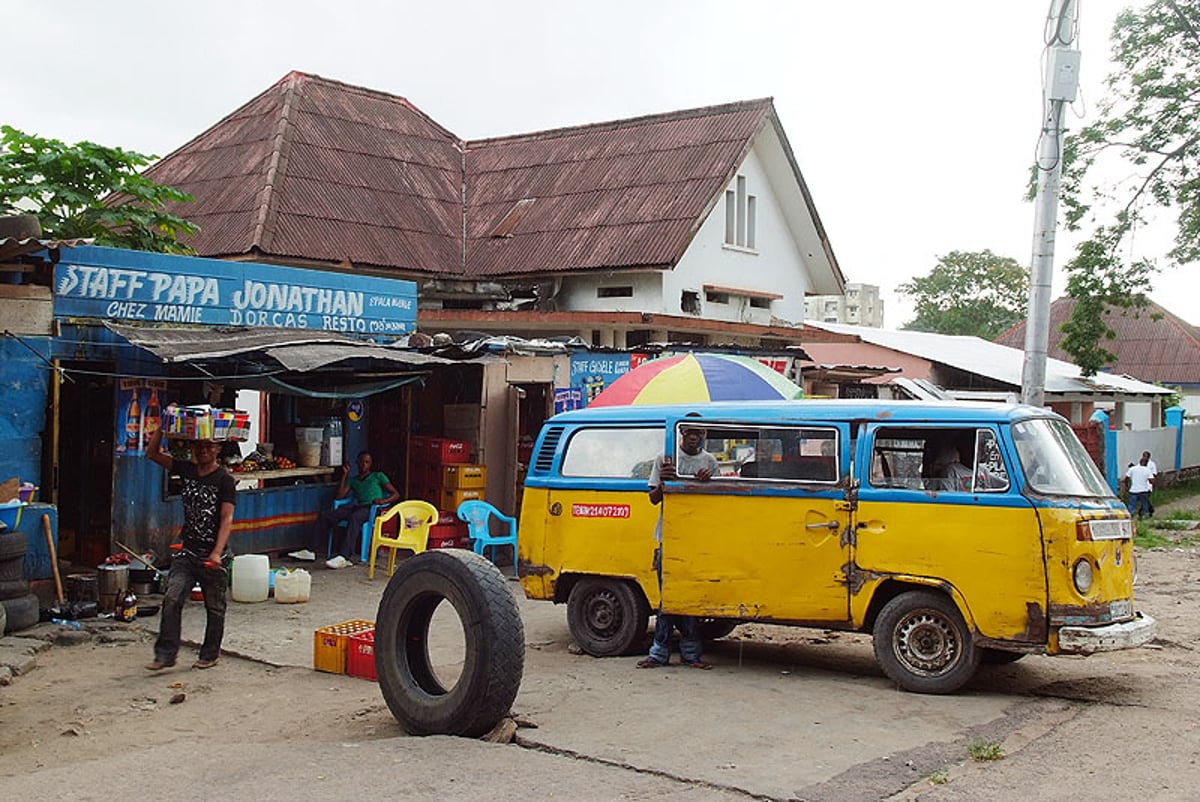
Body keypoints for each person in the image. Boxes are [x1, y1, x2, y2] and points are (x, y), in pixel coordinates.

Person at [145, 427, 236, 671]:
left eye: (208, 446)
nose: (203, 450)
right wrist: (164, 429)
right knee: (172, 598)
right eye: (198, 446)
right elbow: (152, 453)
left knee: (215, 607)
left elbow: (227, 518)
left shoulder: (225, 480)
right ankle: (165, 654)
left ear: (217, 449)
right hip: (187, 550)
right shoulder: (186, 469)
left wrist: (217, 552)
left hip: (213, 553)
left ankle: (210, 654)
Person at [637, 425, 718, 670]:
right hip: (668, 536)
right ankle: (658, 652)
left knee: (690, 597)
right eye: (689, 433)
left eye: (698, 433)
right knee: (667, 598)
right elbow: (653, 498)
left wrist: (706, 481)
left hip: (695, 538)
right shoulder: (665, 459)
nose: (694, 437)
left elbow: (715, 500)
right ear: (681, 434)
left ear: (703, 436)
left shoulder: (710, 461)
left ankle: (691, 654)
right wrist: (664, 483)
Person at [291, 450, 399, 569]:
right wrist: (344, 475)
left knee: (355, 518)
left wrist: (382, 501)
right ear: (357, 463)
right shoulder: (353, 480)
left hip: (372, 509)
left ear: (371, 464)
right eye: (362, 462)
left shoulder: (378, 476)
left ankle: (344, 557)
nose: (364, 465)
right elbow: (339, 496)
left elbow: (395, 494)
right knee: (325, 515)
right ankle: (310, 551)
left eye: (367, 462)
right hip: (358, 507)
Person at [1126, 454, 1155, 520]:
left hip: (1134, 490)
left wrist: (1127, 486)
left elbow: (1126, 478)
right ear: (1146, 464)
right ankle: (1144, 516)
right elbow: (1151, 481)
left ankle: (1130, 515)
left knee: (1132, 504)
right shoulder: (1147, 470)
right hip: (1143, 490)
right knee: (1144, 504)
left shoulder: (1132, 469)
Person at [1143, 451, 1159, 516]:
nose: (1144, 457)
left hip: (1148, 484)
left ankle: (1146, 511)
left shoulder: (1152, 464)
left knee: (1145, 498)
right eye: (1143, 456)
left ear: (1148, 457)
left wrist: (1152, 481)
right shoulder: (1141, 463)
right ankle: (1150, 509)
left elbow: (1154, 474)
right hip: (1141, 484)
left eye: (1145, 456)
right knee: (1144, 498)